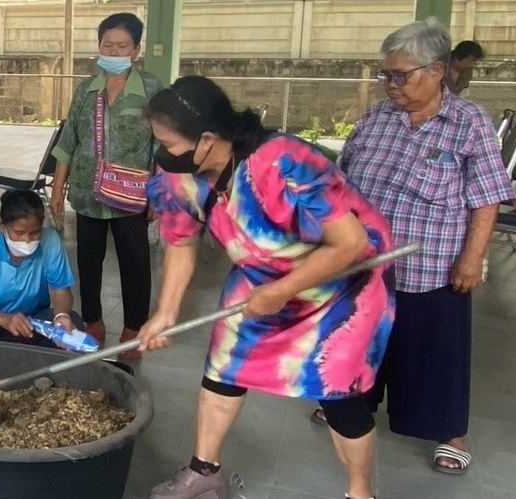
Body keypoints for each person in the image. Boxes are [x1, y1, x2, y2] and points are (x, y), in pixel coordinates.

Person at [137, 75, 395, 499]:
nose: (163, 154)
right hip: (261, 276)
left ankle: (360, 492)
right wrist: (166, 313)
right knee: (224, 366)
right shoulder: (178, 178)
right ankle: (204, 473)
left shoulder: (284, 161)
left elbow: (350, 244)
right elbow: (181, 242)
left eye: (170, 144)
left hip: (343, 285)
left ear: (207, 140)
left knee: (336, 390)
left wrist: (281, 292)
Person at [325, 19, 512, 475]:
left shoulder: (468, 122)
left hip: (431, 267)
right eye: (385, 75)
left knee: (434, 355)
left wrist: (473, 257)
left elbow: (487, 197)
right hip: (366, 266)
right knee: (363, 342)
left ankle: (449, 432)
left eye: (400, 75)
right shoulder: (376, 118)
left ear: (437, 71)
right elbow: (341, 180)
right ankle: (353, 406)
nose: (390, 84)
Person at [49, 12, 164, 362]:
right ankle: (94, 322)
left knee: (135, 264)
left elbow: (162, 146)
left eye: (122, 46)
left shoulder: (152, 89)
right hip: (87, 194)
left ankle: (132, 330)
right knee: (88, 262)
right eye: (107, 45)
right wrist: (57, 189)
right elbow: (69, 140)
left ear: (136, 50)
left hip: (131, 195)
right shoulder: (86, 90)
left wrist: (158, 194)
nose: (114, 51)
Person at [0, 189, 83, 347]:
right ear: (2, 225)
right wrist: (2, 319)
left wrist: (61, 315)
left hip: (31, 322)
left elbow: (61, 290)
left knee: (72, 323)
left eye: (35, 233)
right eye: (19, 233)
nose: (27, 240)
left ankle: (29, 358)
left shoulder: (50, 241)